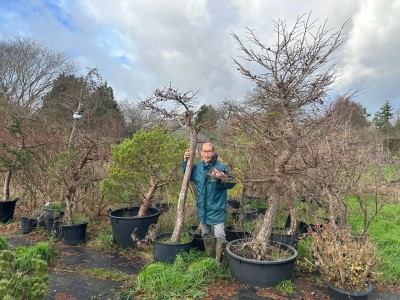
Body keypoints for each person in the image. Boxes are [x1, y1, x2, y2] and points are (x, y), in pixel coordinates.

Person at [182, 142, 236, 242]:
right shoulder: (197, 168)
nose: (207, 154)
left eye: (209, 151)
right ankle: (210, 256)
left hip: (217, 208)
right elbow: (187, 175)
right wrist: (185, 162)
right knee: (206, 235)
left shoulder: (221, 167)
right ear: (201, 152)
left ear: (213, 152)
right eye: (204, 151)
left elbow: (232, 183)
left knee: (219, 235)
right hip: (202, 208)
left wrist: (223, 176)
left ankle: (221, 256)